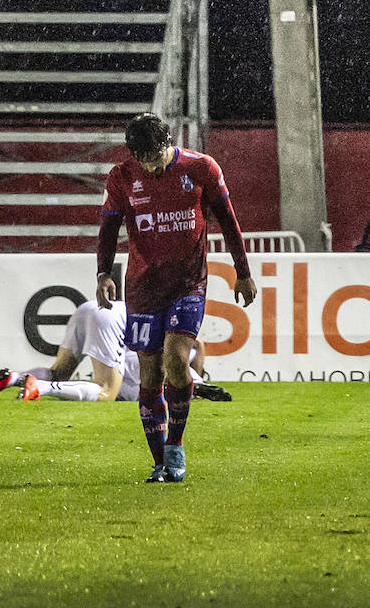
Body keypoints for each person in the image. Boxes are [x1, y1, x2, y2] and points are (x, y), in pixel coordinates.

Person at [96, 113, 256, 483]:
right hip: (143, 287)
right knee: (149, 375)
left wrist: (242, 271)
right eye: (147, 161)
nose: (154, 167)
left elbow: (228, 221)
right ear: (134, 155)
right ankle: (159, 463)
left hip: (188, 283)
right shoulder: (121, 177)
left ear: (170, 143)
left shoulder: (202, 168)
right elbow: (108, 229)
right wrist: (103, 273)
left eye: (160, 157)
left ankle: (176, 445)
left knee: (176, 359)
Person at [0, 300, 232, 403]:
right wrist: (195, 380)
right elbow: (197, 346)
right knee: (106, 391)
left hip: (90, 307)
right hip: (113, 323)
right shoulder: (184, 358)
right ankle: (37, 388)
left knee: (59, 371)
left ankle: (13, 377)